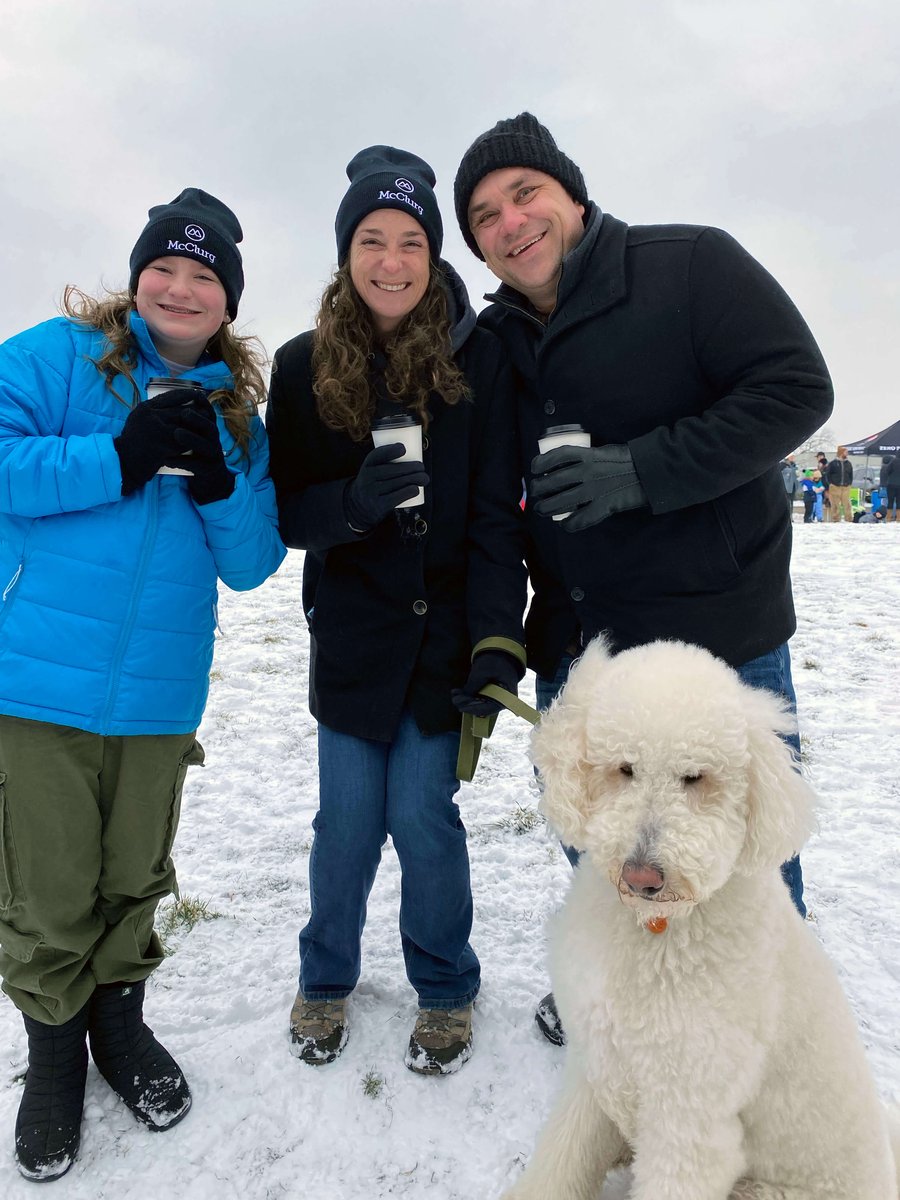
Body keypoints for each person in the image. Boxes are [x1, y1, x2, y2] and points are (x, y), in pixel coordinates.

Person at [453, 112, 834, 1045]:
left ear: (571, 194)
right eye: (485, 216)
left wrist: (642, 470)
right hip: (586, 645)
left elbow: (796, 390)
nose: (511, 222)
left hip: (720, 633)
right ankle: (623, 984)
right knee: (607, 839)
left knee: (737, 847)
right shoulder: (497, 340)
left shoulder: (690, 265)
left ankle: (765, 1018)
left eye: (525, 193)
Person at [0, 188, 286, 1181]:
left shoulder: (236, 412)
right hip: (34, 686)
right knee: (45, 891)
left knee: (132, 876)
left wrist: (218, 480)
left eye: (204, 277)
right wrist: (114, 457)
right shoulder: (53, 357)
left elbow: (252, 563)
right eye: (166, 267)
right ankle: (52, 1060)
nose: (180, 287)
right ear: (138, 276)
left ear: (227, 303)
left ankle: (118, 1030)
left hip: (161, 693)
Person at [266, 147, 526, 1076]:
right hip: (352, 638)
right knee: (345, 822)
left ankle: (447, 986)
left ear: (432, 253)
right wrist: (353, 506)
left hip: (446, 639)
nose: (390, 260)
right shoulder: (301, 369)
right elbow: (288, 512)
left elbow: (500, 513)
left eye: (409, 241)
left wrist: (500, 639)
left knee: (423, 817)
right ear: (346, 253)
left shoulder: (479, 356)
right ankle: (326, 976)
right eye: (370, 240)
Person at [826, 445, 854, 521]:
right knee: (835, 504)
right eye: (846, 452)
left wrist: (849, 483)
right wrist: (830, 483)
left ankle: (849, 519)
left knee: (847, 504)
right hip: (835, 486)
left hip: (846, 486)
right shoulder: (833, 463)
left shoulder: (848, 463)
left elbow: (851, 474)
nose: (847, 454)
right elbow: (828, 474)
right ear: (841, 453)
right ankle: (836, 519)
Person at [881, 453, 900, 522]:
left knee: (890, 501)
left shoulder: (893, 461)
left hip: (891, 484)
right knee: (899, 502)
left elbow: (887, 471)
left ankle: (888, 518)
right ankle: (898, 518)